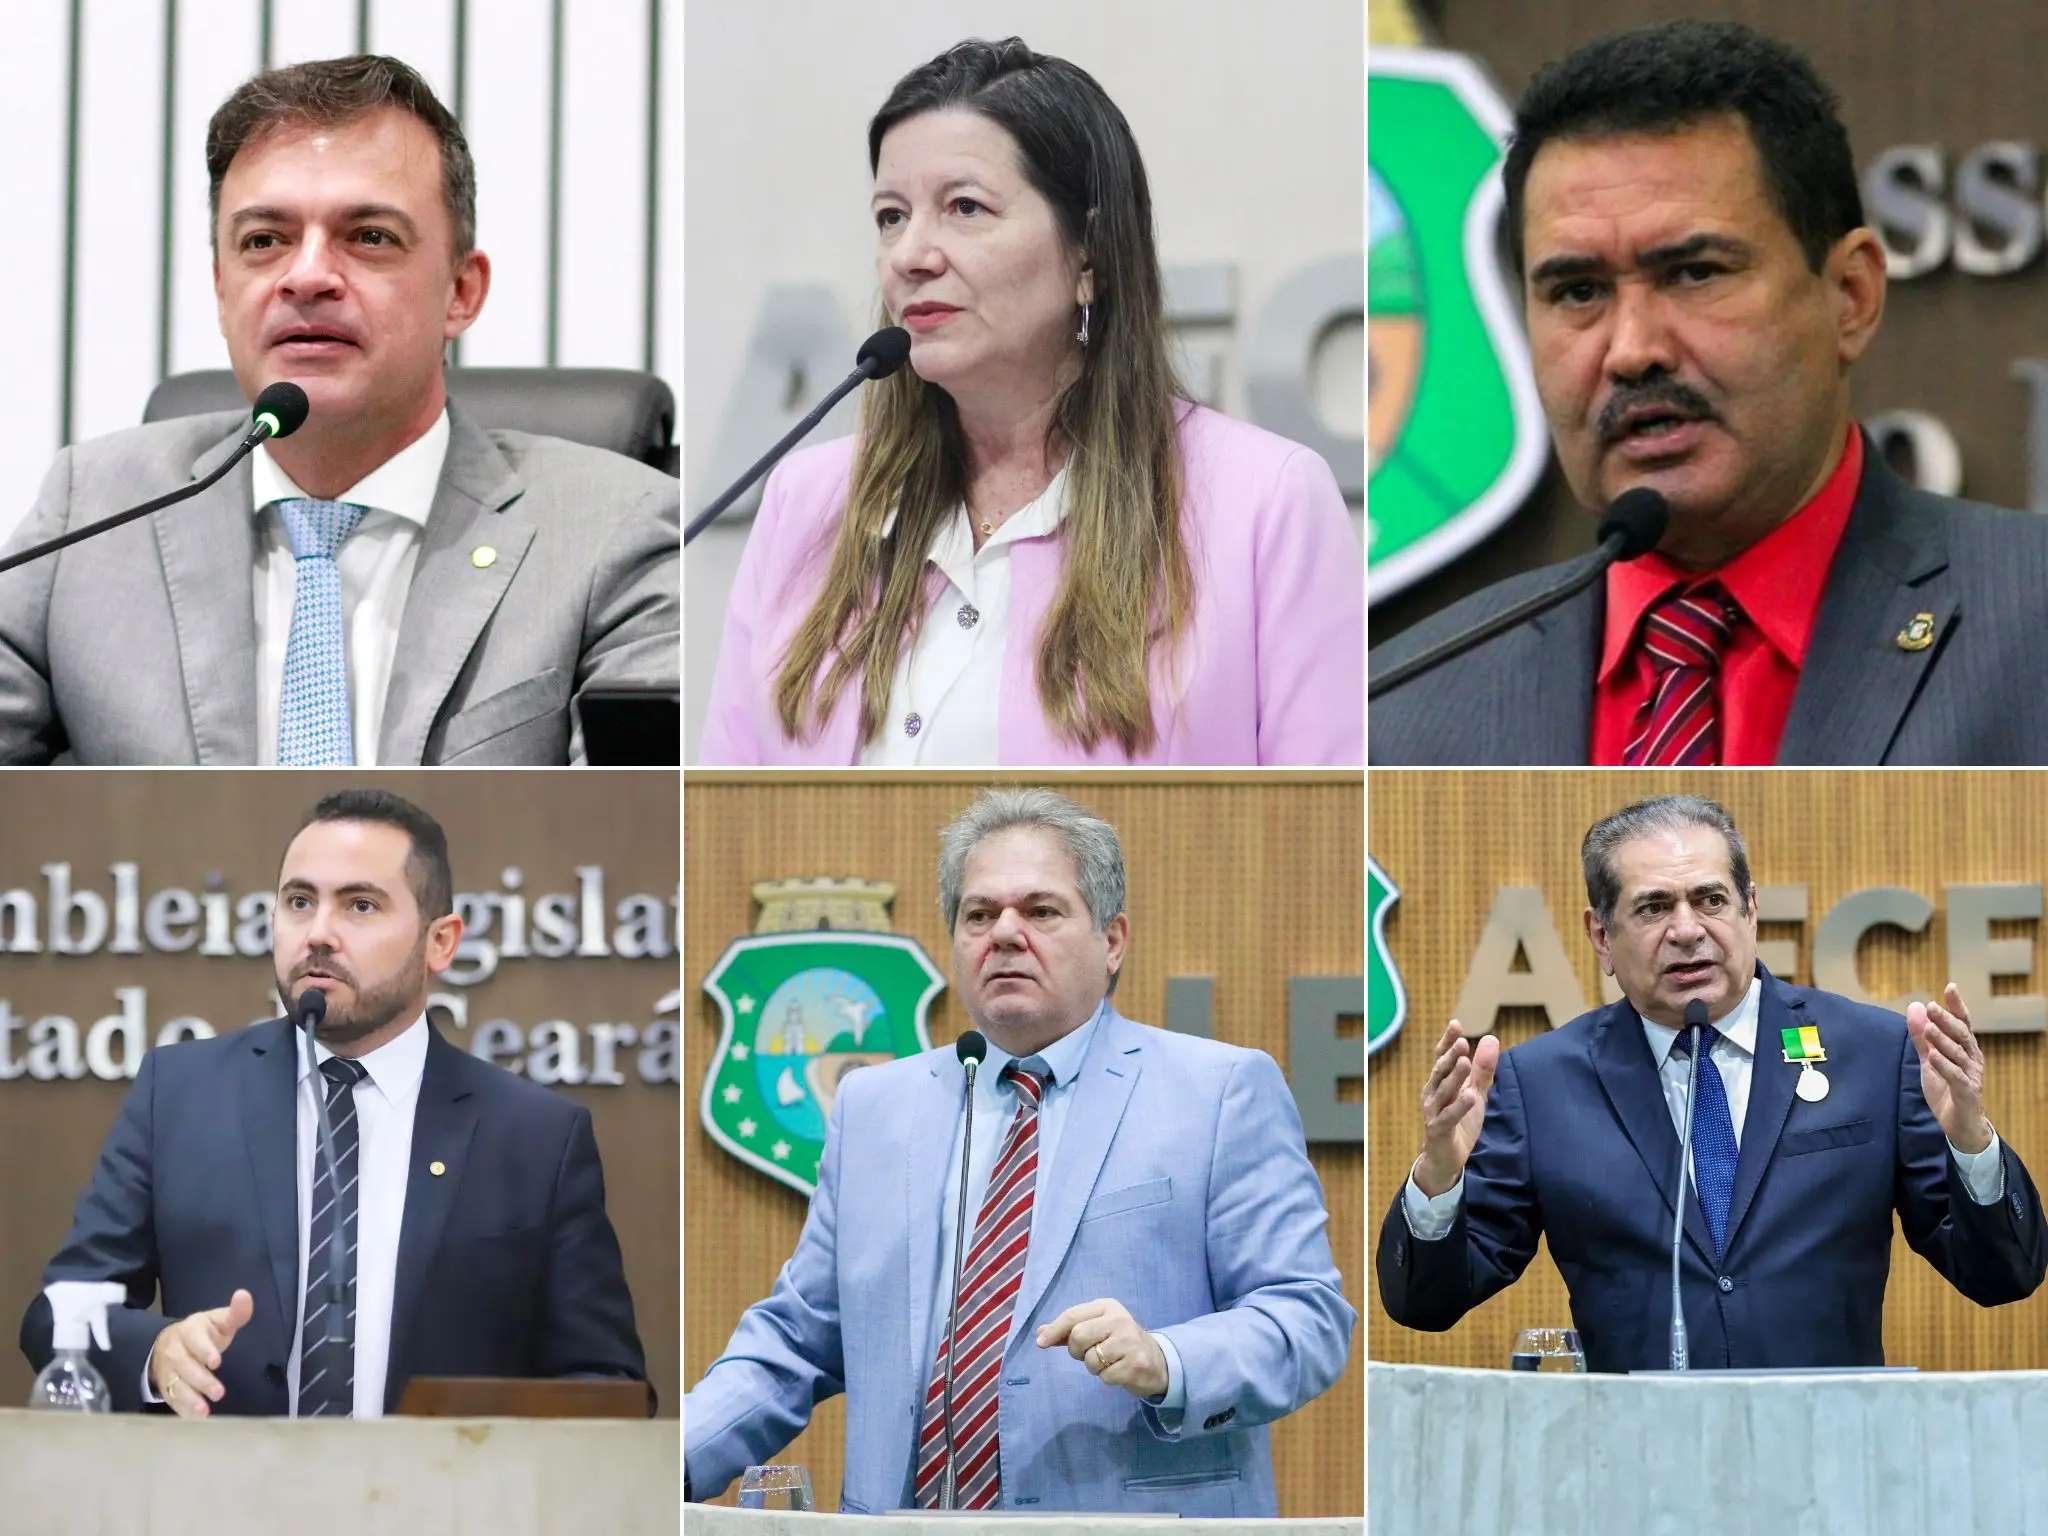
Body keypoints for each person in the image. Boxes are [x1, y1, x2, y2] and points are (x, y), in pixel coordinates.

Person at [1368, 20, 2048, 766]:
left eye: (1694, 274)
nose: (1633, 351)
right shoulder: (1409, 705)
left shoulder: (2029, 620)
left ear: (1850, 295)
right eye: (1579, 291)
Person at [684, 788, 1353, 1515]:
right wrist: (661, 1464)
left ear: (1113, 940)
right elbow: (794, 1343)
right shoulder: (875, 1109)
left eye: (1041, 910)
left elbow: (1307, 1319)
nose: (1004, 933)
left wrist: (1167, 1359)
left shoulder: (1219, 1092)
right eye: (979, 914)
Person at [700, 38, 1362, 767]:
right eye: (891, 216)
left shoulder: (1265, 505)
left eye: (965, 207)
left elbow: (1320, 820)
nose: (911, 255)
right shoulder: (805, 502)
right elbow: (725, 810)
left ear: (1090, 255)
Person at [0, 55, 678, 766]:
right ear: (222, 289)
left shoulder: (614, 532)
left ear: (461, 292)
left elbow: (640, 821)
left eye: (369, 236)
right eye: (265, 241)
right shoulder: (89, 513)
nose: (307, 276)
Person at [19, 789, 647, 1414]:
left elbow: (606, 1383)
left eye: (360, 905)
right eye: (300, 902)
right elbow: (59, 1311)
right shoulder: (180, 1094)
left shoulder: (537, 1137)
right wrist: (157, 1352)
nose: (319, 933)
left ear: (441, 942)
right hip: (221, 1478)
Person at [1376, 795, 2048, 1370]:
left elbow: (2003, 1276)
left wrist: (1971, 1142)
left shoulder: (1873, 1052)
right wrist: (1439, 1177)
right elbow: (1426, 1304)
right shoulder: (1543, 1084)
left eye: (1711, 900)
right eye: (1653, 908)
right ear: (1602, 936)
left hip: (1831, 1454)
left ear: (1750, 909)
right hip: (1637, 1463)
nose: (1687, 930)